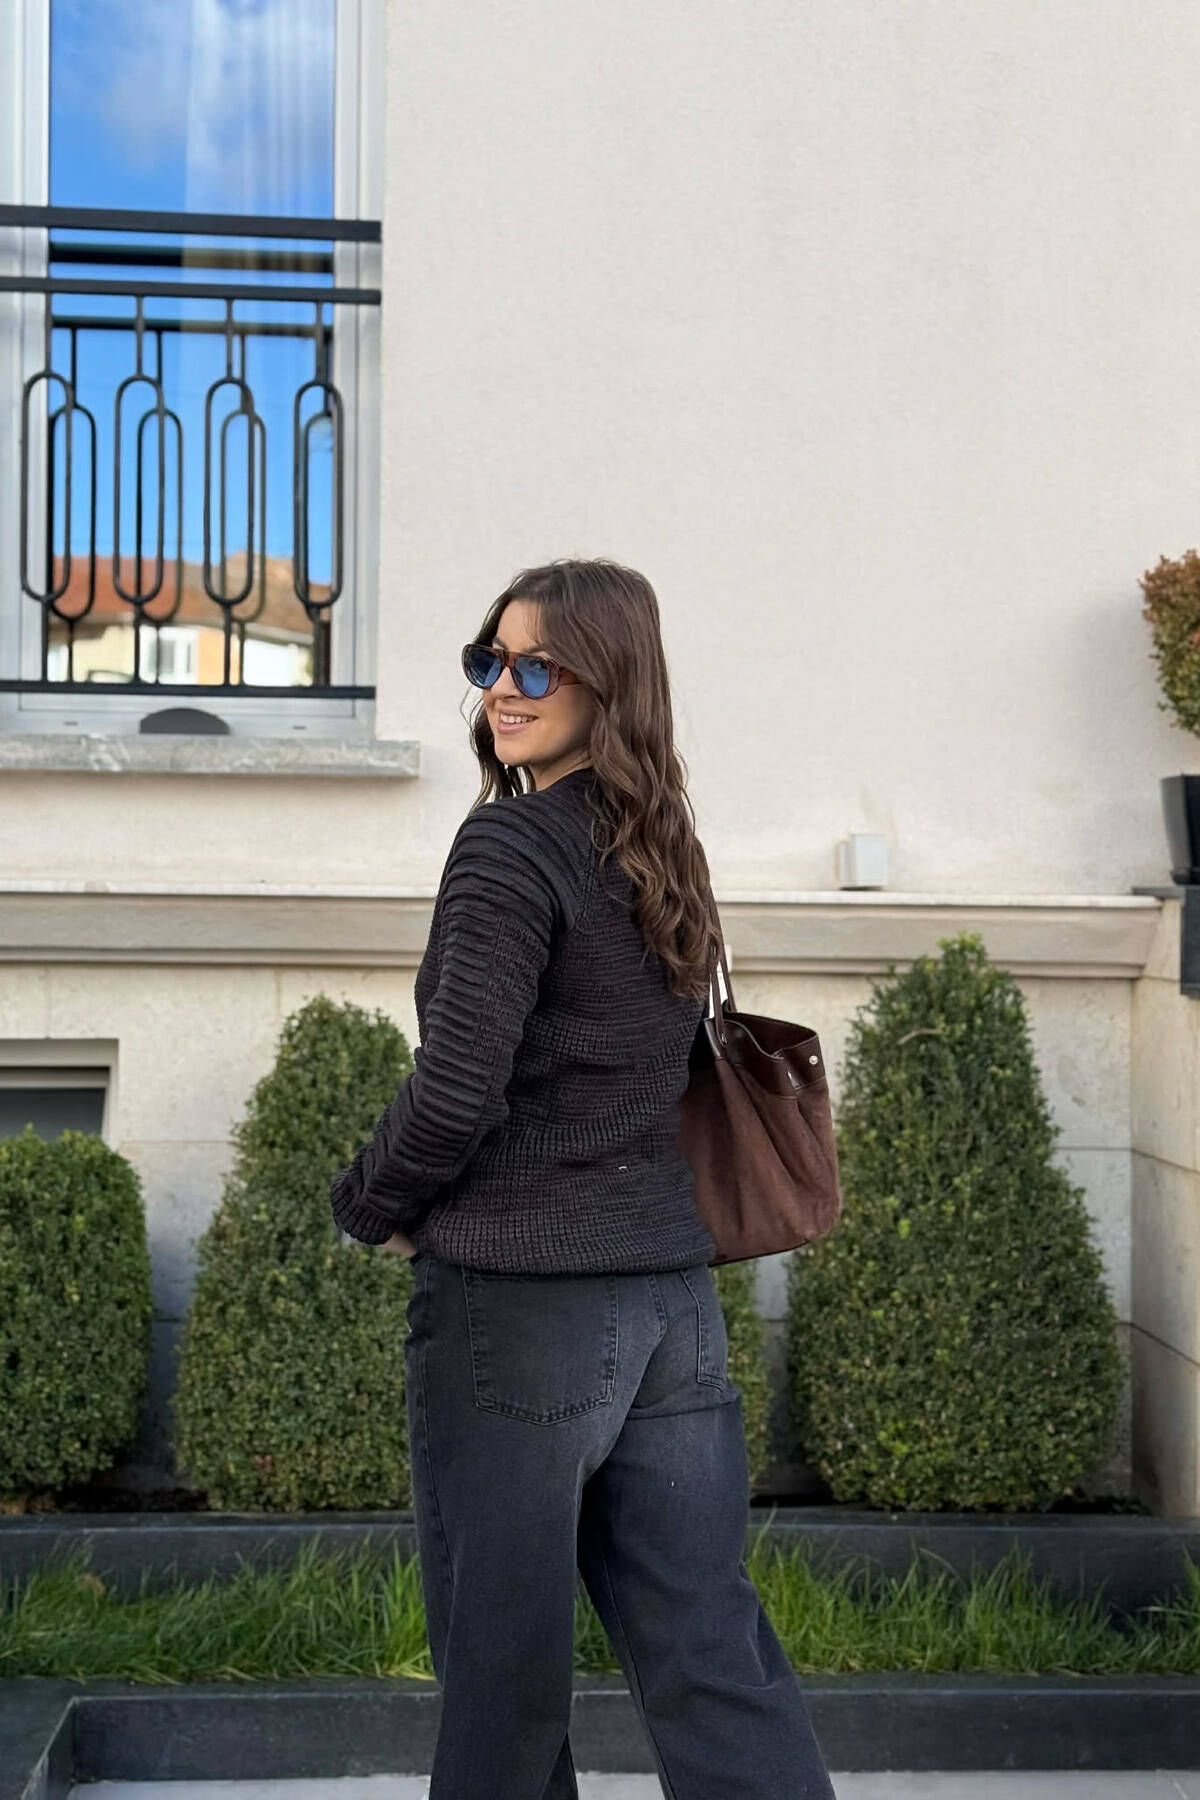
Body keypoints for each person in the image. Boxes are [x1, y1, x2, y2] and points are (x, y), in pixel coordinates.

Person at [330, 558, 836, 1799]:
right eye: (489, 660)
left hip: (522, 1310)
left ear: (609, 682)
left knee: (502, 1679)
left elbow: (458, 1086)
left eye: (538, 666)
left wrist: (370, 1204)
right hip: (670, 1305)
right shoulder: (662, 847)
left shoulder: (510, 847)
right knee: (709, 1649)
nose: (503, 689)